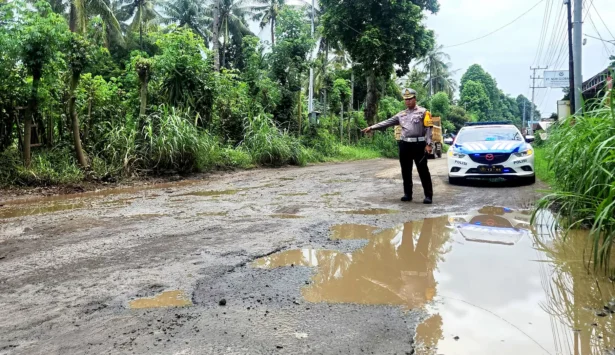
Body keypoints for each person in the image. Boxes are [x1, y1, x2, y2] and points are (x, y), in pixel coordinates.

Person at [362, 88, 434, 204]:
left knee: (423, 170)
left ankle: (428, 196)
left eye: (410, 99)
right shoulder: (401, 115)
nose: (408, 102)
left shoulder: (424, 112)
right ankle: (407, 194)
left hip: (418, 145)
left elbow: (429, 129)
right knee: (406, 170)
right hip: (404, 144)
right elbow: (387, 122)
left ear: (415, 99)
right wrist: (372, 127)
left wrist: (429, 144)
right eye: (406, 100)